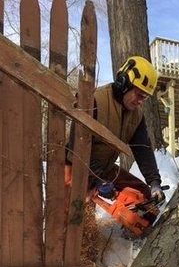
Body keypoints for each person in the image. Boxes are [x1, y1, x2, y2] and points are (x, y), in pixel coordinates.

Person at [65, 55, 165, 205]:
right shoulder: (95, 100)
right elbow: (77, 148)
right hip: (76, 167)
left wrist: (154, 182)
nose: (140, 102)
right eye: (138, 95)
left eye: (144, 98)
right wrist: (99, 180)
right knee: (75, 217)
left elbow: (143, 149)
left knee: (143, 194)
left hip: (105, 169)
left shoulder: (136, 115)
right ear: (123, 83)